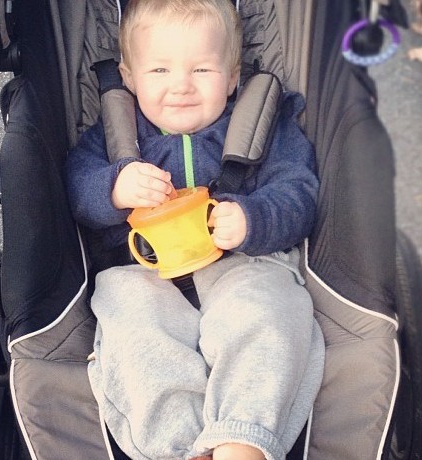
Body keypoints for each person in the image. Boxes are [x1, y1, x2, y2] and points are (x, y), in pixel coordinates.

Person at [65, 0, 325, 459]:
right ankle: (181, 448)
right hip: (142, 274)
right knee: (135, 332)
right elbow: (75, 189)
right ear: (129, 78)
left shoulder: (262, 125)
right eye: (160, 71)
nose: (181, 86)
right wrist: (115, 188)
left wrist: (253, 218)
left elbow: (298, 193)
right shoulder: (113, 135)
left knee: (269, 312)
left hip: (244, 264)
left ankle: (241, 438)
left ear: (230, 77)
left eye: (202, 70)